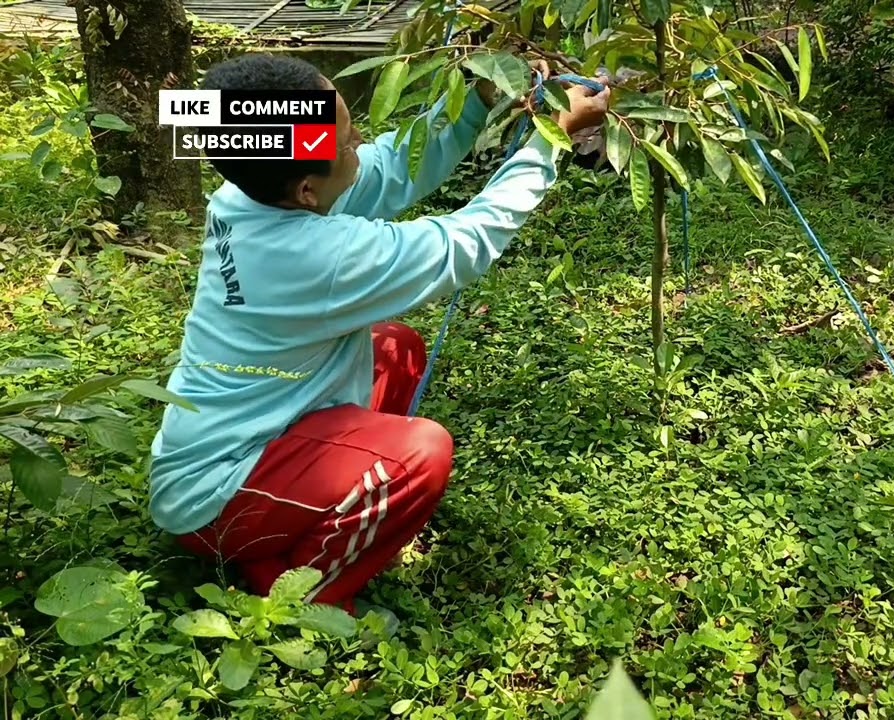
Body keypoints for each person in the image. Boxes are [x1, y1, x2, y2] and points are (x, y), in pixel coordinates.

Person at [148, 53, 610, 617]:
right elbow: (464, 243)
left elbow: (390, 166)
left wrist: (475, 103)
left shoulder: (247, 191)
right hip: (214, 500)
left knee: (394, 347)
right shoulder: (316, 256)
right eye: (346, 141)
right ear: (307, 190)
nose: (359, 142)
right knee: (421, 453)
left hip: (245, 434)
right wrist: (550, 140)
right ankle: (299, 596)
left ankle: (306, 519)